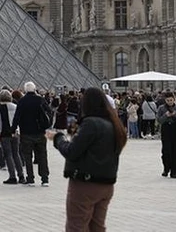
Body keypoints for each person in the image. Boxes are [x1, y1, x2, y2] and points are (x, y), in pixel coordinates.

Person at [46, 87, 127, 231]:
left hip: (86, 184)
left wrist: (58, 138)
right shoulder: (114, 125)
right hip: (106, 184)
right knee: (97, 228)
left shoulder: (91, 123)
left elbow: (71, 151)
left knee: (76, 226)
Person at [11, 81, 50, 186]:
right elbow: (49, 112)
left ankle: (30, 178)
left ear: (25, 90)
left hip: (26, 133)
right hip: (40, 132)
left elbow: (17, 117)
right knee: (42, 155)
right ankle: (45, 179)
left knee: (27, 156)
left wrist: (13, 129)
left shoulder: (22, 101)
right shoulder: (41, 100)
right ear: (34, 89)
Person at [0, 89, 26, 185]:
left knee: (8, 155)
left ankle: (12, 176)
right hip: (15, 133)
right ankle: (21, 176)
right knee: (16, 154)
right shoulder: (15, 106)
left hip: (5, 134)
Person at [156, 92, 176, 178]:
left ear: (174, 99)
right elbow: (158, 120)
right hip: (166, 129)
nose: (169, 102)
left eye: (171, 100)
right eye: (167, 100)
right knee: (166, 151)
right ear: (165, 100)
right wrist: (166, 115)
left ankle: (175, 171)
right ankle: (166, 168)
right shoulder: (161, 108)